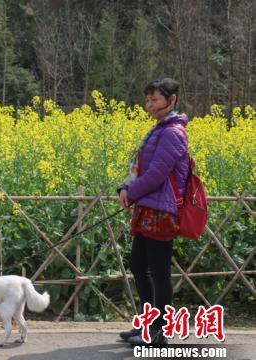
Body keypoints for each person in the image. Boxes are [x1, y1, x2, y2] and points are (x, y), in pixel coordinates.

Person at [117, 78, 189, 346]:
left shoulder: (172, 133)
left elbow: (157, 174)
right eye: (147, 100)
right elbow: (140, 167)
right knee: (138, 265)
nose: (149, 105)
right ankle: (146, 323)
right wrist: (125, 187)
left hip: (162, 210)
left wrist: (131, 193)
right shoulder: (159, 129)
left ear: (171, 101)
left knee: (159, 272)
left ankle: (159, 332)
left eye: (155, 99)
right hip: (149, 207)